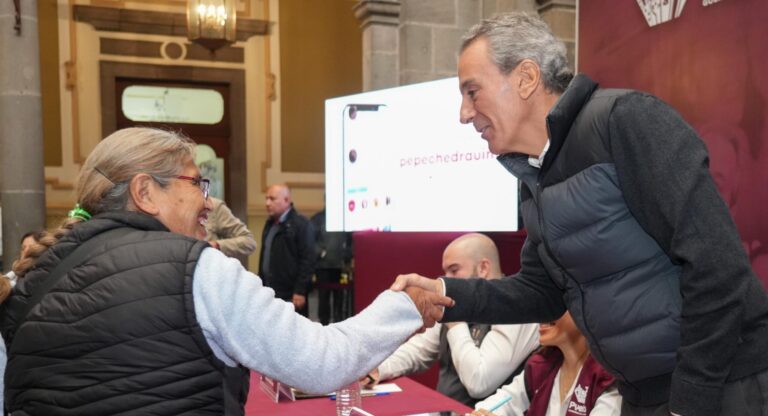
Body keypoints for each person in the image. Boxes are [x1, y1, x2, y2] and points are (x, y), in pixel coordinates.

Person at [392, 12, 768, 416]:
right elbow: (541, 291)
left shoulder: (626, 120)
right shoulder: (536, 177)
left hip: (724, 388)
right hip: (644, 394)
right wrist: (443, 293)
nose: (464, 113)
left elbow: (717, 266)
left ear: (526, 78)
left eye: (472, 91)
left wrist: (690, 400)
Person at [0, 127, 453, 415]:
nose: (208, 200)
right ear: (145, 192)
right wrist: (404, 305)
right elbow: (322, 362)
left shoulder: (32, 276)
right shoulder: (195, 270)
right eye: (197, 183)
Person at [365, 233, 539, 406]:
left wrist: (456, 321)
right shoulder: (454, 304)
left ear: (483, 268)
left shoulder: (516, 308)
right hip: (445, 410)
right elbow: (418, 351)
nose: (445, 279)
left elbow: (479, 383)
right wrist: (377, 369)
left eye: (454, 270)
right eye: (445, 271)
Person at [471, 311, 620, 416]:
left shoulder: (612, 377)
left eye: (555, 302)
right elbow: (501, 402)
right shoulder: (542, 364)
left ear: (585, 309)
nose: (542, 312)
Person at [258, 183, 315, 317]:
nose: (267, 203)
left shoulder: (301, 225)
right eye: (266, 198)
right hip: (270, 292)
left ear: (286, 200)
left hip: (290, 295)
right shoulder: (269, 224)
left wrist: (300, 291)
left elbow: (308, 260)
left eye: (272, 199)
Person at [310, 207, 353, 325]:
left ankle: (339, 323)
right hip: (322, 266)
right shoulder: (317, 219)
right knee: (323, 298)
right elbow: (310, 240)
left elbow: (352, 240)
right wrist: (321, 253)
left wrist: (346, 254)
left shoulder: (345, 217)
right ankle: (323, 324)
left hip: (342, 267)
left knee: (340, 298)